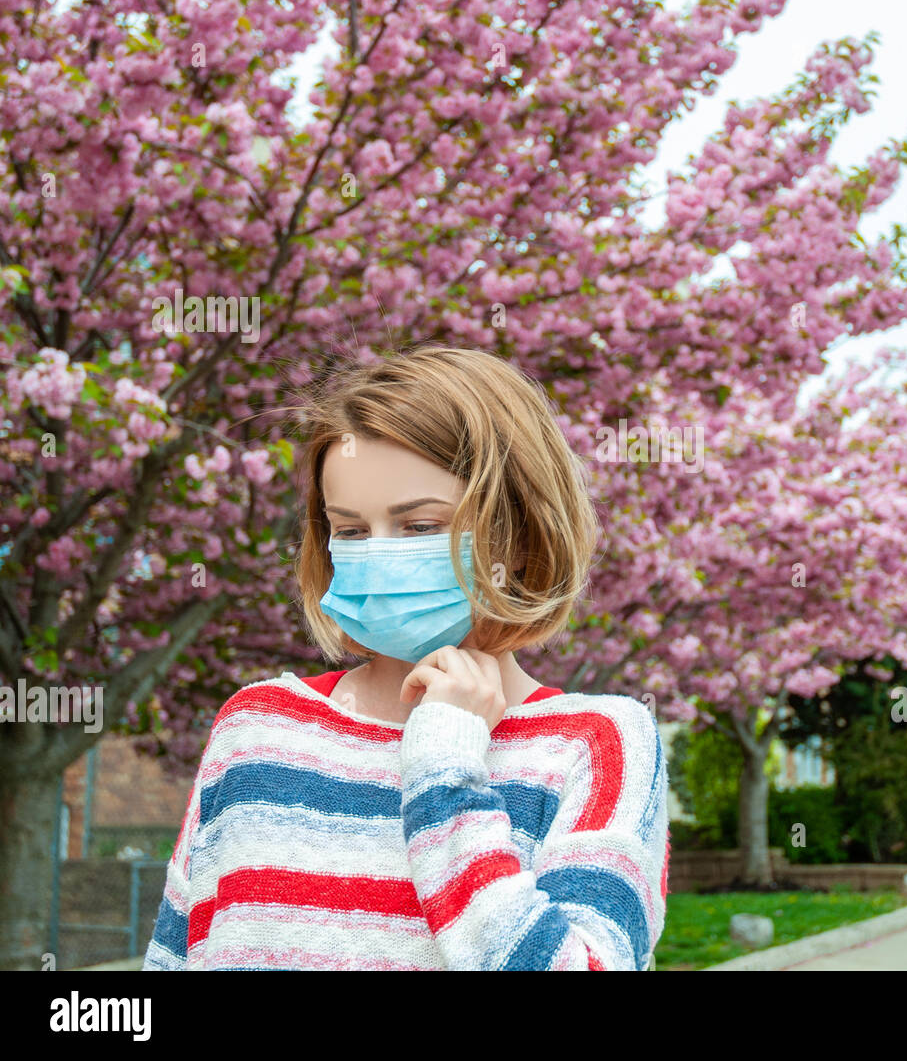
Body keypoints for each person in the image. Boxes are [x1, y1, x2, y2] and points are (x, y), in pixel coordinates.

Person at [142, 346, 669, 970]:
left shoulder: (598, 744)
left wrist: (445, 763)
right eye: (352, 531)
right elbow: (174, 958)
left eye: (419, 526)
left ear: (521, 537)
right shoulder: (257, 726)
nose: (377, 557)